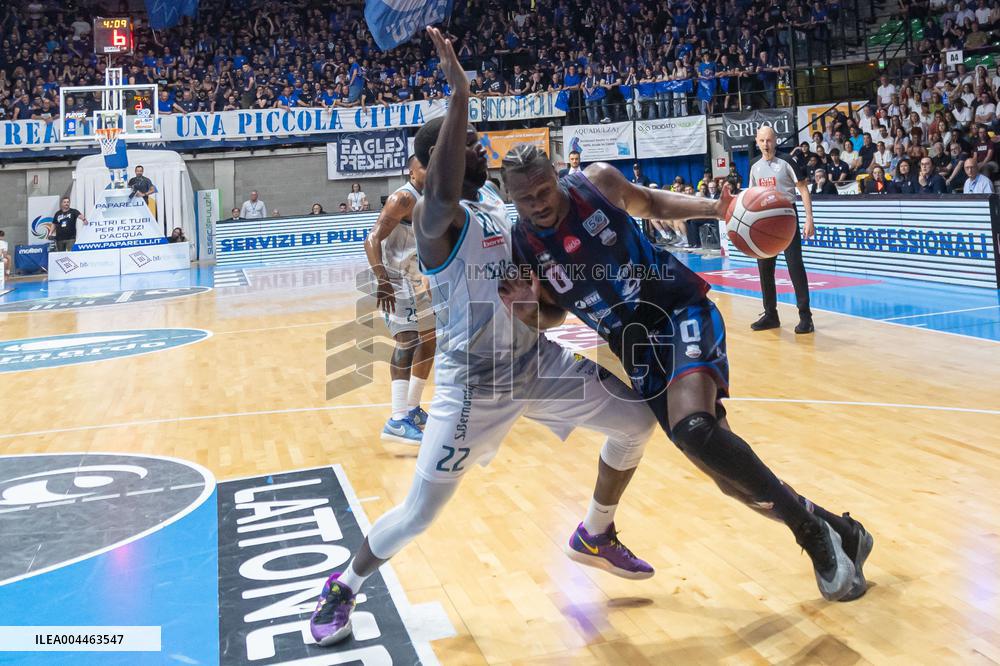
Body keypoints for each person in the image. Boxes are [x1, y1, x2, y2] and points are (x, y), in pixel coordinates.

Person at [310, 28, 659, 647]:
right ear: (435, 160)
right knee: (419, 514)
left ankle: (595, 531)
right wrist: (459, 96)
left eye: (475, 139)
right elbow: (444, 185)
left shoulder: (497, 203)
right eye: (467, 141)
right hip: (473, 387)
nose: (478, 146)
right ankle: (345, 583)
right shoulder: (433, 218)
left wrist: (543, 304)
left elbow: (537, 301)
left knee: (636, 421)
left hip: (536, 362)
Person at [501, 142, 871, 608]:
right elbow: (553, 314)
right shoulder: (523, 245)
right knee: (728, 477)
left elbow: (651, 203)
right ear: (510, 196)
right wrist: (529, 312)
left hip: (675, 307)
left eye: (543, 191)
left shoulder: (596, 183)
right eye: (525, 198)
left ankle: (811, 533)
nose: (538, 203)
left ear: (556, 176)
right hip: (634, 348)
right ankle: (843, 532)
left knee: (694, 428)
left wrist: (717, 208)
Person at [363, 155, 436, 444]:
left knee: (430, 341)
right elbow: (371, 239)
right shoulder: (403, 198)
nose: (429, 170)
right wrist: (382, 279)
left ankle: (413, 408)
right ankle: (396, 419)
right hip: (394, 278)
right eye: (423, 166)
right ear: (411, 171)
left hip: (418, 277)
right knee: (408, 341)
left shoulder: (435, 195)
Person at [748, 126, 815, 334]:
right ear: (757, 142)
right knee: (764, 268)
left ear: (775, 140)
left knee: (795, 265)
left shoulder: (787, 161)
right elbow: (751, 195)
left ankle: (806, 317)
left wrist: (809, 218)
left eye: (769, 140)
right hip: (763, 221)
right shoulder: (754, 166)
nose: (765, 144)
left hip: (787, 217)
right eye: (762, 141)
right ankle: (770, 315)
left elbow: (803, 189)